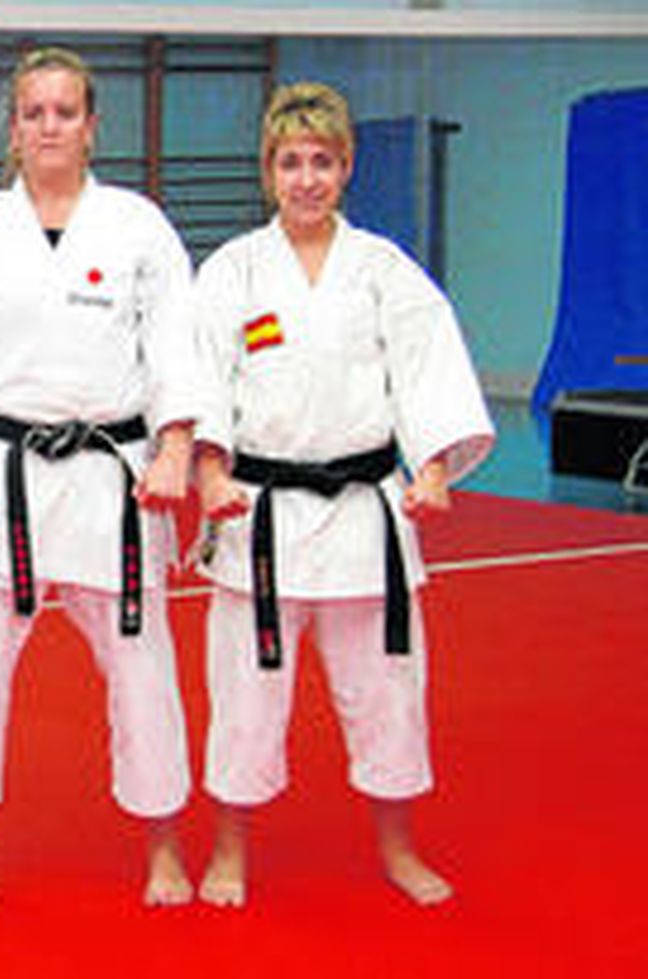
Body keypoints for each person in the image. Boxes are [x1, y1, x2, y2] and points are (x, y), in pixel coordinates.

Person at [0, 47, 200, 913]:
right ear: (13, 127)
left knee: (143, 669)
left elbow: (174, 347)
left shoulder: (139, 226)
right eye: (33, 112)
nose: (49, 126)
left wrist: (175, 446)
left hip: (114, 479)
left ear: (91, 125)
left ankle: (163, 845)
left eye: (65, 111)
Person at [190, 81, 494, 908]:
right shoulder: (233, 271)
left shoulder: (382, 269)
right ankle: (229, 850)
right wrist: (210, 470)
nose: (307, 179)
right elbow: (199, 378)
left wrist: (433, 466)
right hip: (260, 513)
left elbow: (427, 368)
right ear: (268, 171)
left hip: (365, 514)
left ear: (347, 166)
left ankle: (398, 847)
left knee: (388, 692)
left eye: (322, 161)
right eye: (291, 162)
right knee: (245, 697)